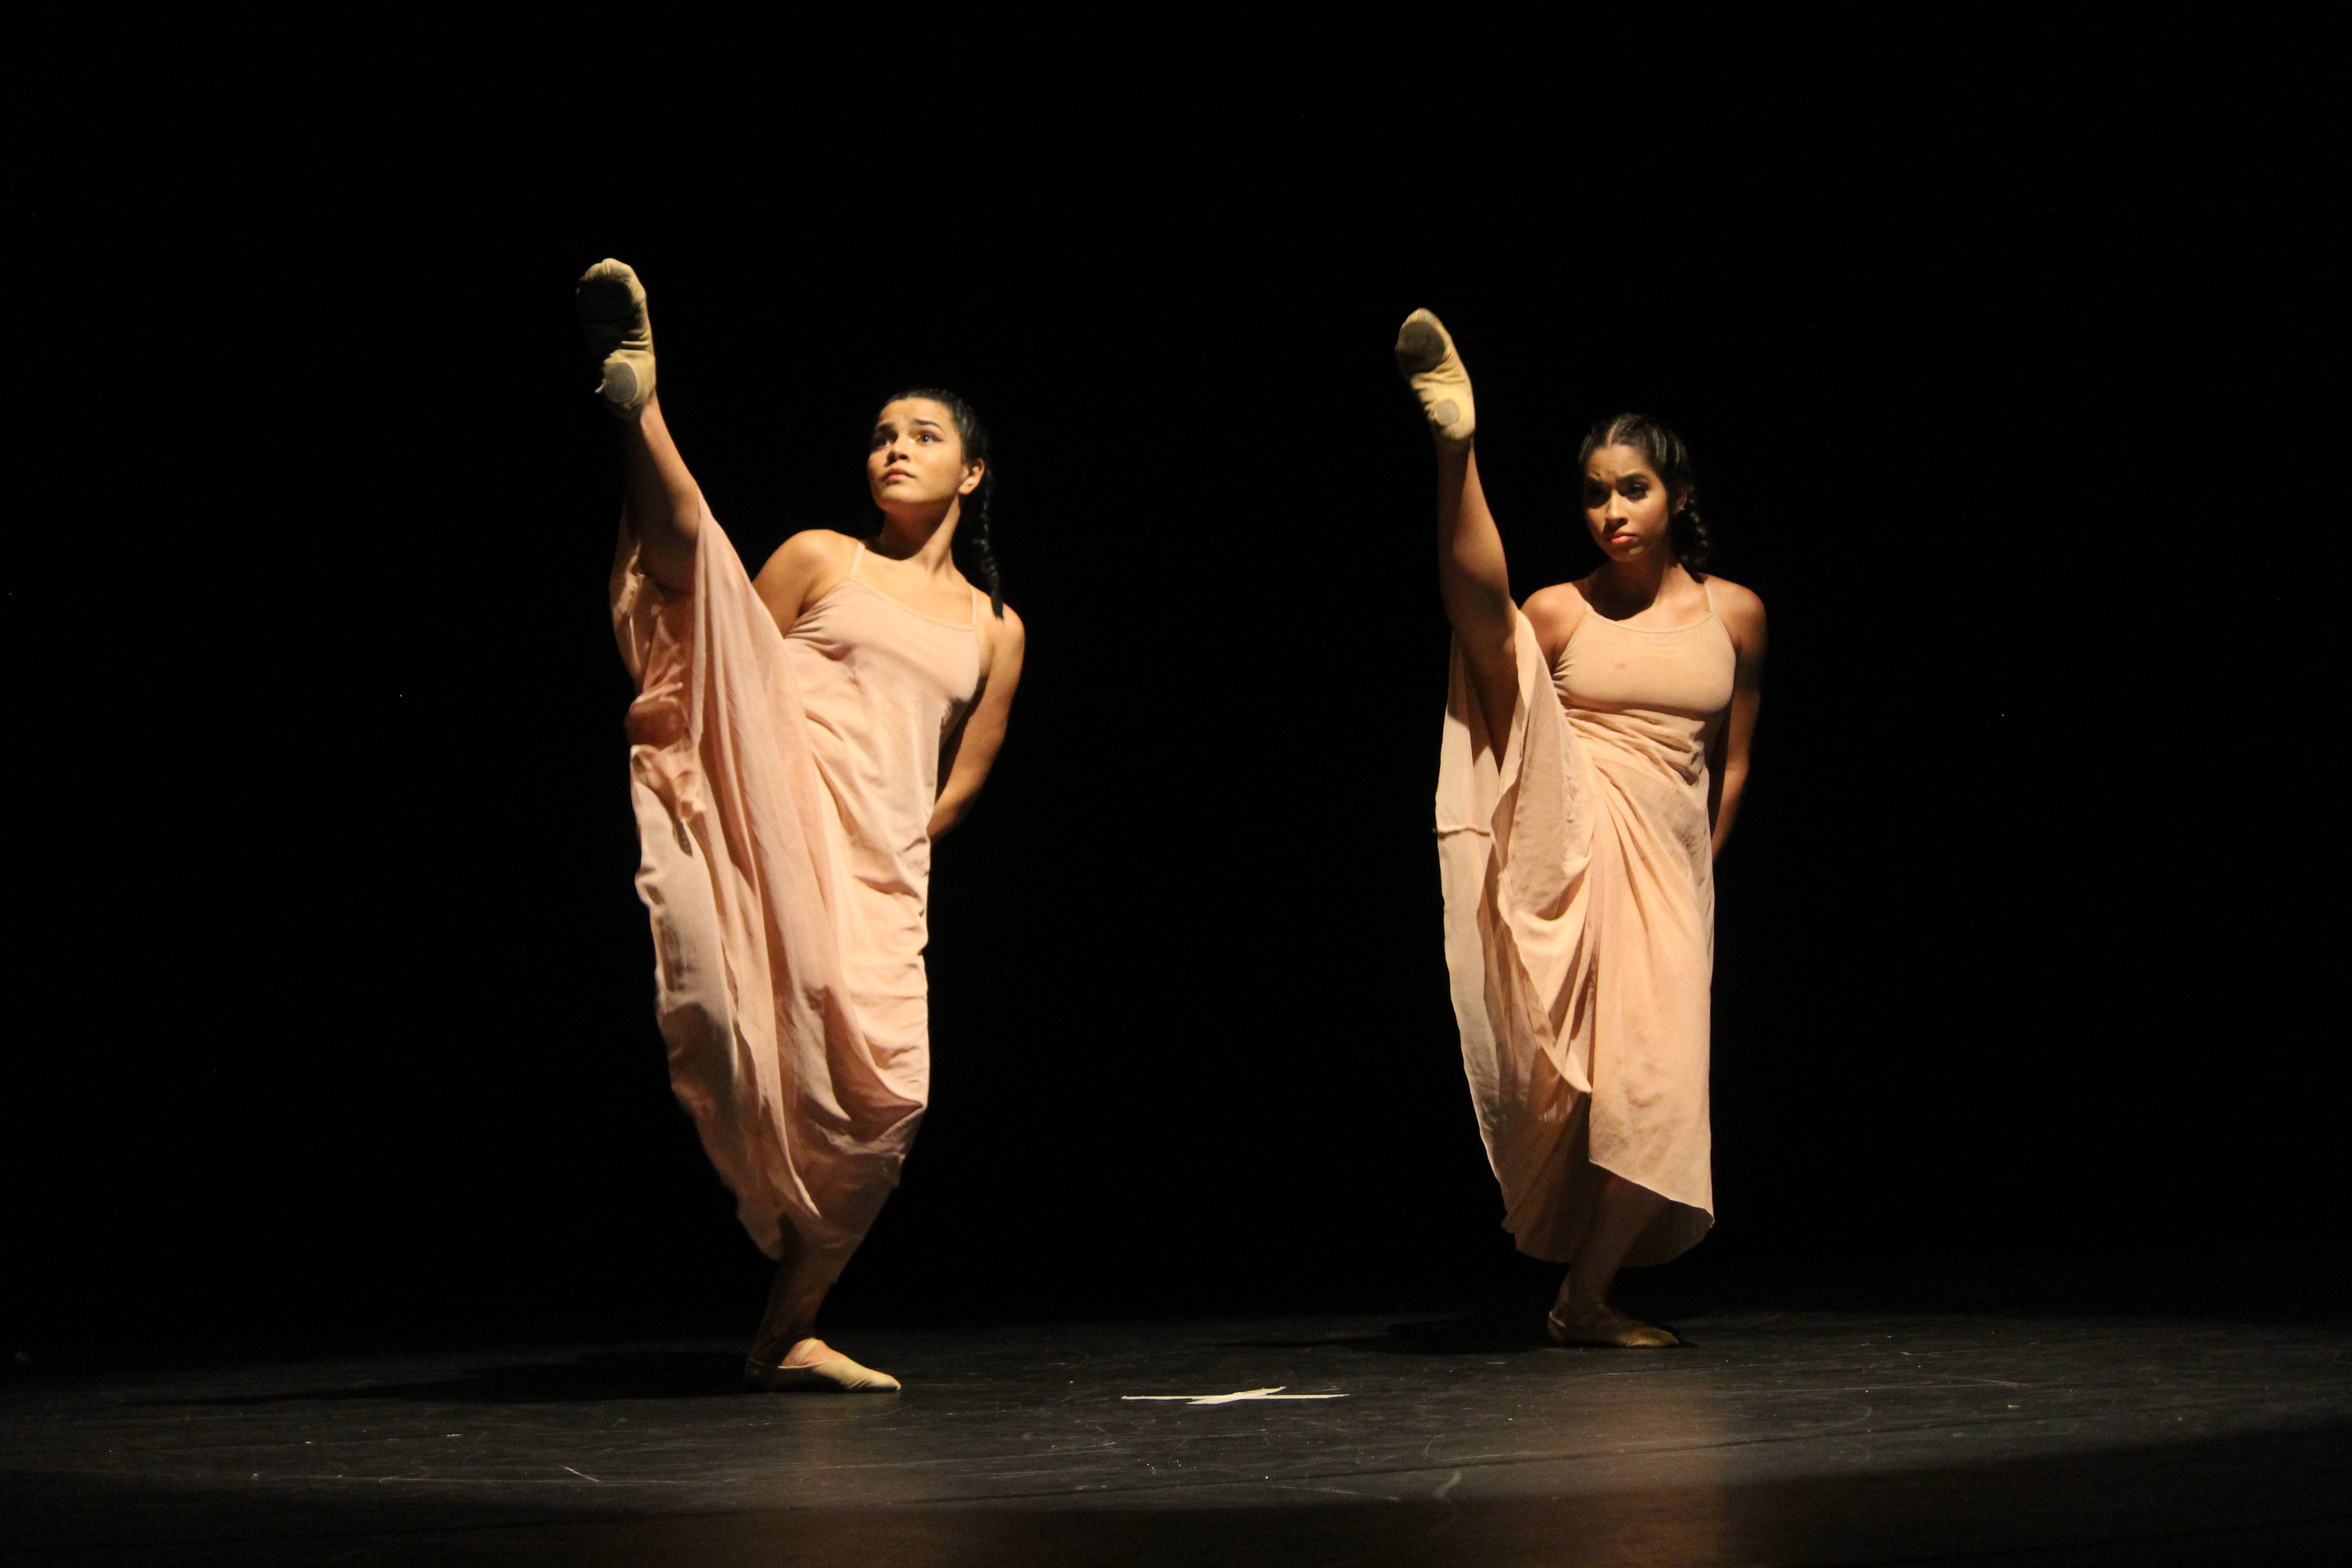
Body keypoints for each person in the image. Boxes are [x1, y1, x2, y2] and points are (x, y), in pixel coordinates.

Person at [583, 260, 1026, 1391]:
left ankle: (787, 1333)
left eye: (922, 436)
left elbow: (966, 776)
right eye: (881, 435)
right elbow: (720, 647)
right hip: (778, 810)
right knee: (704, 567)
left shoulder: (996, 627)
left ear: (974, 472)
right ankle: (641, 407)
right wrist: (776, 808)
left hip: (880, 862)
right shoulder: (823, 557)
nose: (894, 449)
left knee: (890, 1097)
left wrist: (892, 845)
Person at [1396, 309, 1764, 1348]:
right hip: (1574, 832)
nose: (1611, 512)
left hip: (1670, 864)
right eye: (1597, 494)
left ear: (1677, 496)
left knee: (1659, 1086)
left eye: (1633, 490)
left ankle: (1582, 1298)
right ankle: (1455, 447)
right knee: (1492, 631)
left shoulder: (1737, 615)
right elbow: (1488, 646)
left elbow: (1733, 760)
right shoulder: (1564, 610)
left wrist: (1699, 866)